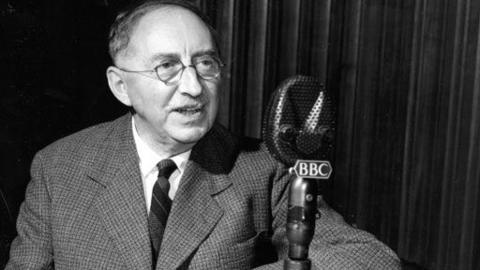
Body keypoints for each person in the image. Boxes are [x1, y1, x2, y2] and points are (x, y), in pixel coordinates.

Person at [6, 0, 401, 269]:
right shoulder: (59, 167)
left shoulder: (263, 170)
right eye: (167, 67)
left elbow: (367, 258)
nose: (194, 87)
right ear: (120, 86)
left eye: (205, 63)